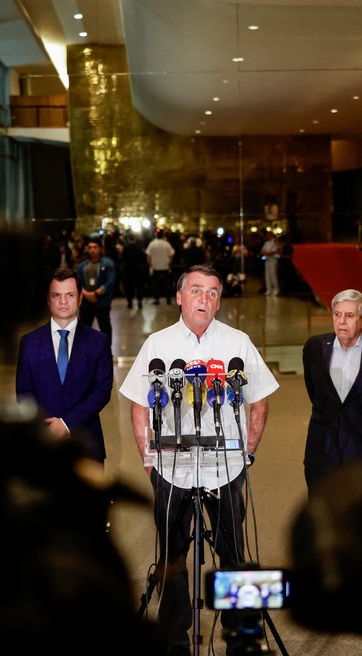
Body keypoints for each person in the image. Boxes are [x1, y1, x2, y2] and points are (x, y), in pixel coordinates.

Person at [118, 264, 279, 654]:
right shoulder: (157, 344)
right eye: (195, 291)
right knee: (172, 558)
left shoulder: (238, 342)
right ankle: (175, 640)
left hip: (226, 468)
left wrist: (249, 452)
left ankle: (243, 637)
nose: (203, 299)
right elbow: (139, 407)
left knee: (235, 555)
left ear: (219, 300)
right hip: (172, 469)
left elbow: (260, 402)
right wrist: (149, 460)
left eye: (211, 292)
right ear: (179, 297)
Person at [301, 289, 362, 495]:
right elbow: (314, 392)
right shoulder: (315, 347)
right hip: (322, 453)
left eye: (349, 315)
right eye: (337, 314)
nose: (341, 321)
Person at [16, 267, 113, 464]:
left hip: (87, 444)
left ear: (79, 299)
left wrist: (67, 424)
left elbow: (102, 391)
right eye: (56, 295)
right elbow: (23, 392)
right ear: (48, 299)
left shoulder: (98, 341)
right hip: (42, 444)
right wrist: (46, 427)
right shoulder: (29, 342)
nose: (62, 301)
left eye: (69, 295)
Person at [75, 236, 116, 349]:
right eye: (90, 247)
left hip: (102, 302)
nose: (92, 250)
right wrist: (87, 294)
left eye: (95, 247)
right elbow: (78, 283)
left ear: (100, 249)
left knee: (105, 327)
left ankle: (107, 351)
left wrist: (96, 293)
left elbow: (110, 281)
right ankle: (84, 351)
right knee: (84, 328)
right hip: (86, 302)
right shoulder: (82, 266)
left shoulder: (108, 264)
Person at [146, 231, 176, 305]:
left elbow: (148, 256)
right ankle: (168, 299)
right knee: (167, 284)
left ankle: (157, 299)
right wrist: (169, 264)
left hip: (155, 266)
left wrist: (150, 265)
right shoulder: (166, 244)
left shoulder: (152, 244)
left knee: (156, 284)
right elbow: (171, 255)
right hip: (165, 266)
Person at [121, 233, 150, 310]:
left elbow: (123, 259)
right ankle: (139, 301)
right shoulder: (138, 248)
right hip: (137, 270)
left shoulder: (125, 248)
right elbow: (143, 258)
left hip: (128, 270)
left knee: (129, 287)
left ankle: (129, 302)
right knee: (138, 286)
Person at [260, 230, 280, 296]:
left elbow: (274, 252)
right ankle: (269, 289)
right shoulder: (266, 243)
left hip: (273, 260)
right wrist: (266, 253)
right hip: (267, 260)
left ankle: (276, 289)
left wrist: (267, 253)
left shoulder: (275, 242)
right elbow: (262, 251)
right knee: (267, 275)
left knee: (273, 275)